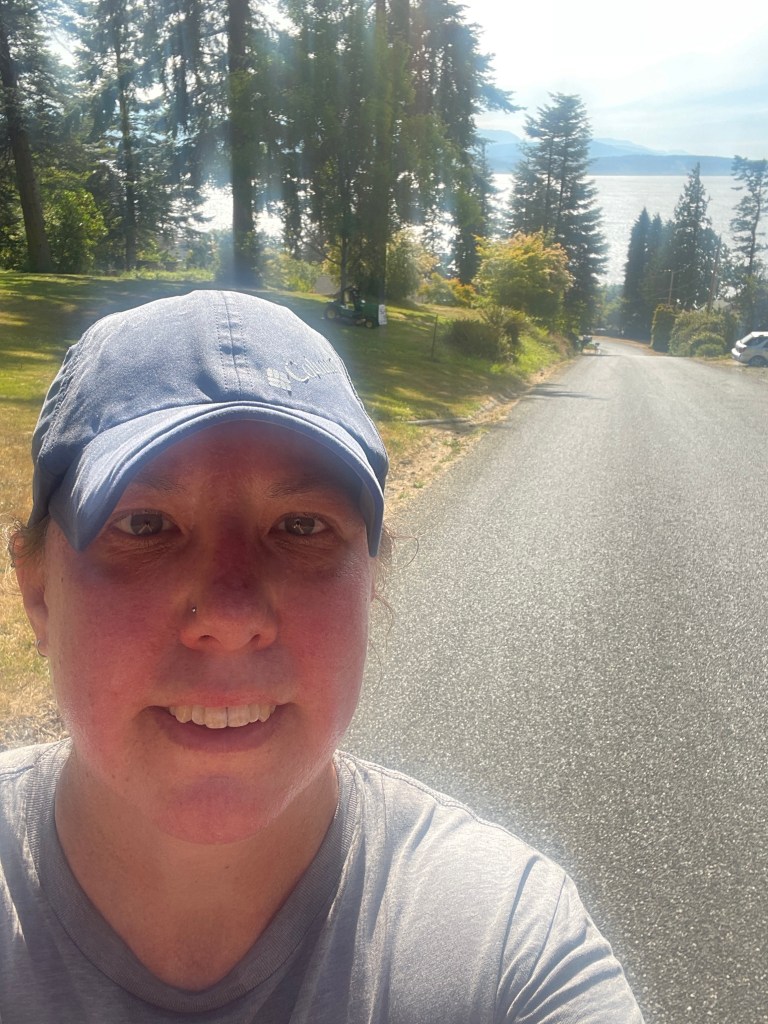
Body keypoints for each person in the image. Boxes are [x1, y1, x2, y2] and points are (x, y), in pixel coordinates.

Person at [1, 290, 644, 1021]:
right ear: (37, 590)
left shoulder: (507, 951)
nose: (231, 617)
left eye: (301, 526)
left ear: (370, 581)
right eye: (146, 525)